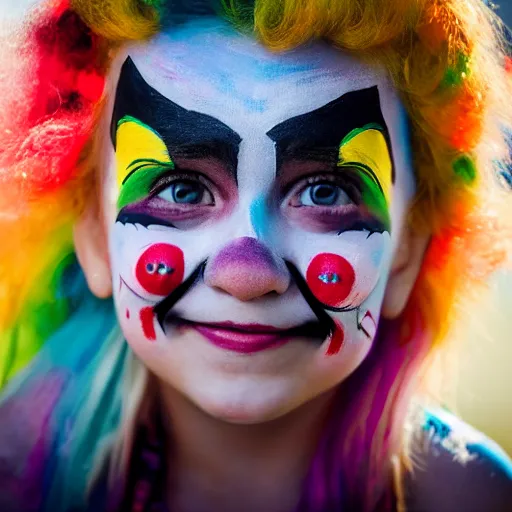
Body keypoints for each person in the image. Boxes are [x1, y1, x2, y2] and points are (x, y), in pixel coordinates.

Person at [0, 0, 511, 511]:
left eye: (324, 193)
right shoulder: (16, 484)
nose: (246, 273)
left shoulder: (470, 498)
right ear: (93, 236)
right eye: (181, 190)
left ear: (407, 249)